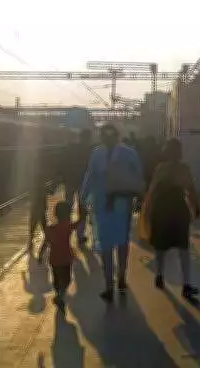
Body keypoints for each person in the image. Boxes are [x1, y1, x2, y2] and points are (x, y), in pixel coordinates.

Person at [80, 123, 144, 301]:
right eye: (104, 136)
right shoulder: (97, 153)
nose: (107, 139)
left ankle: (121, 276)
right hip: (102, 204)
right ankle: (109, 283)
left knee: (121, 242)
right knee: (107, 244)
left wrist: (139, 197)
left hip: (121, 204)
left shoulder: (128, 153)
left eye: (110, 136)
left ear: (116, 136)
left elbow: (137, 176)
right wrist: (83, 196)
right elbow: (90, 175)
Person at [143, 138, 200, 299]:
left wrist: (147, 211)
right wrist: (196, 207)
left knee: (162, 248)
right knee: (182, 249)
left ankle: (162, 276)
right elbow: (190, 190)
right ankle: (185, 284)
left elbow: (152, 191)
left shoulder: (162, 169)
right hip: (176, 211)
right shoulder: (182, 169)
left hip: (163, 211)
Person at [41, 200, 82, 311]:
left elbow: (45, 243)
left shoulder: (50, 229)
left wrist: (40, 254)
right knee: (67, 279)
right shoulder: (67, 226)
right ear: (68, 214)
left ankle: (59, 294)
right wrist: (83, 213)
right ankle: (60, 296)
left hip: (54, 259)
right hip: (66, 259)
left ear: (55, 215)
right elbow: (77, 223)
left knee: (56, 280)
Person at [64, 128, 94, 244]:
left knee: (67, 208)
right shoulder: (91, 150)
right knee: (82, 210)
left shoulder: (71, 148)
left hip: (70, 181)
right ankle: (80, 235)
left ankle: (65, 233)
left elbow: (64, 162)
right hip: (84, 183)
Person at [28, 163, 49, 258]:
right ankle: (47, 239)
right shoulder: (42, 186)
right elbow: (44, 197)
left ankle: (30, 241)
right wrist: (45, 206)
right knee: (43, 225)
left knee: (33, 225)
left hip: (35, 208)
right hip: (40, 208)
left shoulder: (34, 185)